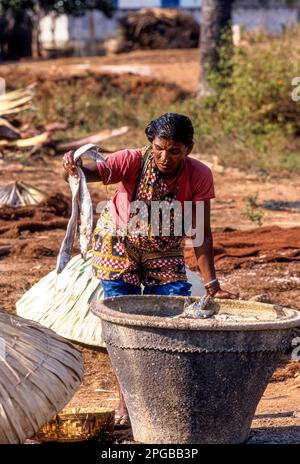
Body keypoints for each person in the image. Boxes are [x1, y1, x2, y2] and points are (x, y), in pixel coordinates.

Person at [63, 112, 234, 427]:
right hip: (118, 243)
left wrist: (211, 281)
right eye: (158, 148)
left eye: (174, 151)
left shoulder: (198, 176)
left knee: (175, 315)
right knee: (126, 323)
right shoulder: (131, 161)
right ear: (150, 143)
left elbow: (201, 232)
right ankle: (126, 404)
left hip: (164, 247)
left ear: (189, 149)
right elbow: (91, 173)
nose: (165, 157)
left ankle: (170, 399)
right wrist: (73, 169)